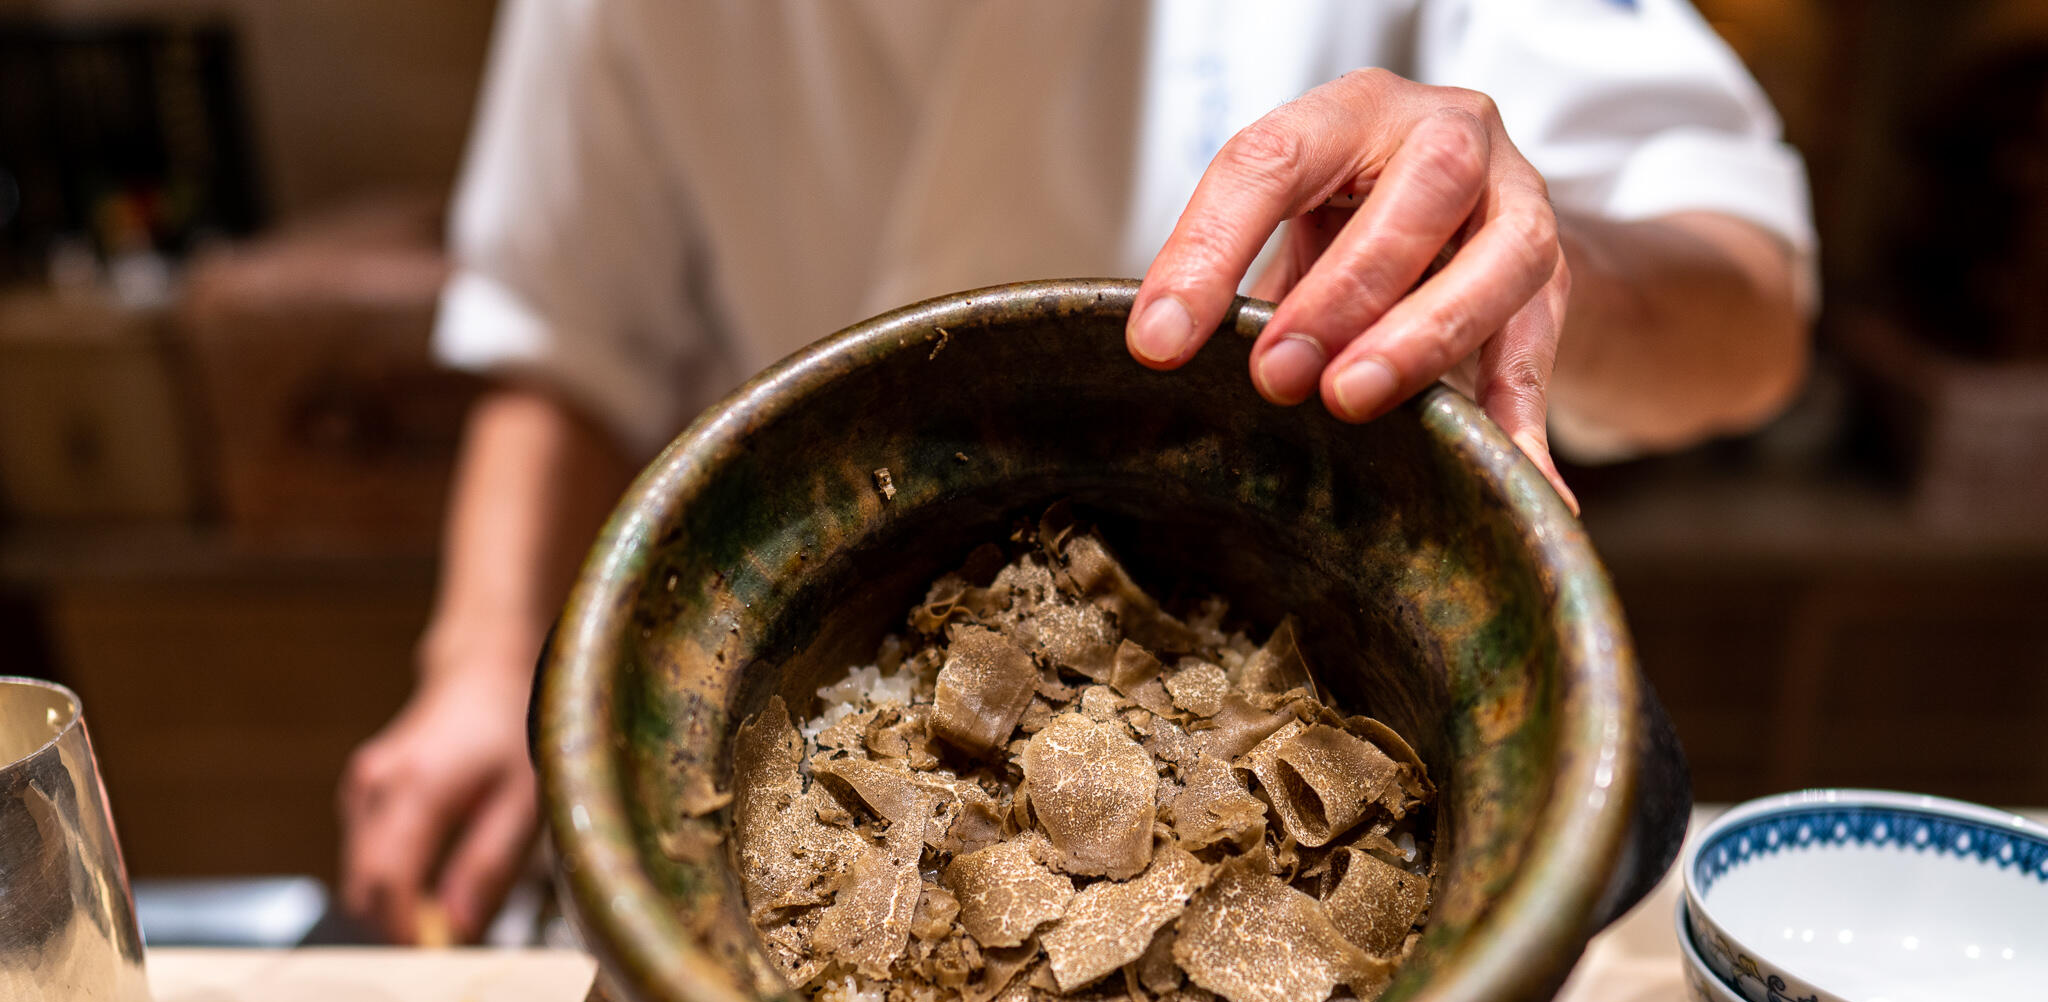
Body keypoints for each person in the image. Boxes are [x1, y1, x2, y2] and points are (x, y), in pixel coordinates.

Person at [341, 0, 1814, 943]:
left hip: (1269, 624)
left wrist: (1524, 261)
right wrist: (477, 658)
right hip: (797, 650)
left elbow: (1750, 314)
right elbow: (562, 338)